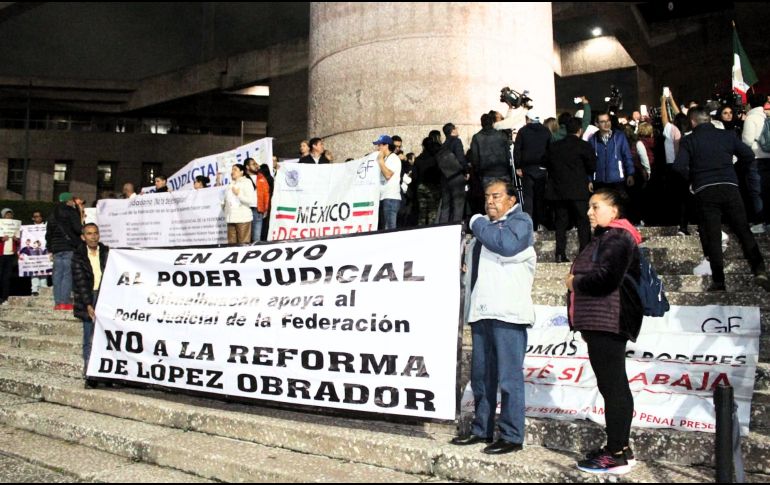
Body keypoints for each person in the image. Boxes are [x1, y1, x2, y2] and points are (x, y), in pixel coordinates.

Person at [452, 179, 535, 455]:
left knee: (509, 379)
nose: (490, 202)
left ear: (512, 199)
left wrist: (475, 221)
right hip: (482, 312)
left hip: (508, 314)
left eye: (497, 196)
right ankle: (481, 429)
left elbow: (506, 244)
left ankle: (512, 435)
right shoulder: (484, 231)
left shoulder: (520, 222)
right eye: (487, 196)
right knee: (481, 377)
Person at [567, 188, 642, 475]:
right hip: (599, 321)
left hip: (608, 321)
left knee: (614, 387)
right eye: (589, 206)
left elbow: (607, 278)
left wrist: (575, 283)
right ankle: (620, 447)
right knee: (611, 385)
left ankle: (616, 453)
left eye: (595, 206)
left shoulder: (618, 236)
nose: (589, 212)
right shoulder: (608, 237)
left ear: (614, 211)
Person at [674, 107, 770, 292]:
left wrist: (693, 179)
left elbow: (678, 167)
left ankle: (719, 281)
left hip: (705, 190)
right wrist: (731, 169)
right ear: (709, 119)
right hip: (729, 186)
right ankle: (760, 270)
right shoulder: (728, 135)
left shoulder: (689, 140)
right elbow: (748, 155)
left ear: (693, 122)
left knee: (713, 235)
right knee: (743, 230)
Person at [544, 117, 596, 262]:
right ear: (580, 130)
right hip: (578, 190)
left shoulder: (554, 146)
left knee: (561, 223)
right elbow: (592, 166)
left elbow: (546, 162)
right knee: (582, 222)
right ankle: (584, 254)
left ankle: (560, 253)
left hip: (558, 191)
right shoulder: (583, 146)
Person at [71, 223, 109, 389]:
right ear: (83, 237)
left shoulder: (107, 252)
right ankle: (90, 373)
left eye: (95, 233)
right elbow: (80, 282)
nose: (93, 236)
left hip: (105, 296)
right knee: (89, 337)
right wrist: (88, 304)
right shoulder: (78, 255)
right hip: (88, 296)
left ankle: (107, 373)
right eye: (89, 234)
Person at [515, 110, 552, 229]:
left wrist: (518, 166)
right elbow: (550, 149)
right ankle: (541, 222)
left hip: (527, 169)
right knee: (540, 197)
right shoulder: (546, 131)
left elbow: (517, 150)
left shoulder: (523, 131)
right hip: (542, 168)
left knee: (528, 198)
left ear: (528, 119)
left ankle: (529, 223)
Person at [46, 192, 82, 310]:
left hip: (56, 248)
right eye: (72, 200)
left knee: (57, 275)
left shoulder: (52, 214)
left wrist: (50, 248)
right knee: (67, 274)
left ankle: (57, 303)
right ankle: (65, 302)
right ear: (68, 201)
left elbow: (48, 234)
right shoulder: (71, 211)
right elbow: (78, 229)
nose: (73, 202)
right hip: (68, 247)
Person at [588, 111, 635, 194]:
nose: (606, 123)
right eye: (602, 122)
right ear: (596, 124)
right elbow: (589, 162)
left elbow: (627, 155)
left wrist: (630, 174)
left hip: (617, 179)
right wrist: (590, 180)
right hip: (599, 180)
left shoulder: (619, 136)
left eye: (608, 120)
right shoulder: (592, 139)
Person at [438, 123, 469, 223]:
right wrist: (466, 171)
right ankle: (456, 227)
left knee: (446, 205)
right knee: (458, 205)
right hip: (456, 177)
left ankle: (443, 227)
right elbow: (461, 158)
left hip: (445, 177)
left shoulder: (443, 145)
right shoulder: (456, 141)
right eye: (456, 128)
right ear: (453, 131)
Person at [469, 113, 511, 185]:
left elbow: (475, 158)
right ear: (492, 123)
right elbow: (508, 154)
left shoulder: (476, 137)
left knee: (490, 195)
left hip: (486, 174)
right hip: (502, 171)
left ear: (482, 123)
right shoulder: (502, 135)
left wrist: (478, 172)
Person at [372, 134, 401, 230]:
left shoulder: (394, 158)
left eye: (380, 145)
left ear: (386, 146)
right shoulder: (386, 159)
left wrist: (380, 161)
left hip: (391, 198)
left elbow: (388, 175)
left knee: (390, 229)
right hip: (385, 198)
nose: (378, 148)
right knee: (385, 228)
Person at [223, 164, 255, 244]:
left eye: (235, 169)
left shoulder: (247, 182)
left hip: (242, 218)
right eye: (232, 169)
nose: (232, 172)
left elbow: (250, 200)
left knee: (243, 244)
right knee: (231, 245)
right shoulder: (230, 184)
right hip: (230, 219)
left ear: (241, 172)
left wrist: (238, 194)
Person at [0, 208, 19, 306]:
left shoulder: (15, 227)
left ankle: (5, 297)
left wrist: (16, 239)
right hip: (1, 255)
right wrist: (1, 239)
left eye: (11, 215)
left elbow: (21, 241)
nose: (9, 216)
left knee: (7, 277)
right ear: (3, 216)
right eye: (7, 214)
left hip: (10, 255)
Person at [29, 211, 49, 296]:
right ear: (33, 218)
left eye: (40, 216)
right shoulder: (29, 228)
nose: (38, 217)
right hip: (33, 252)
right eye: (36, 216)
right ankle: (34, 289)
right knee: (34, 270)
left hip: (44, 250)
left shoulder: (46, 226)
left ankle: (44, 287)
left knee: (44, 269)